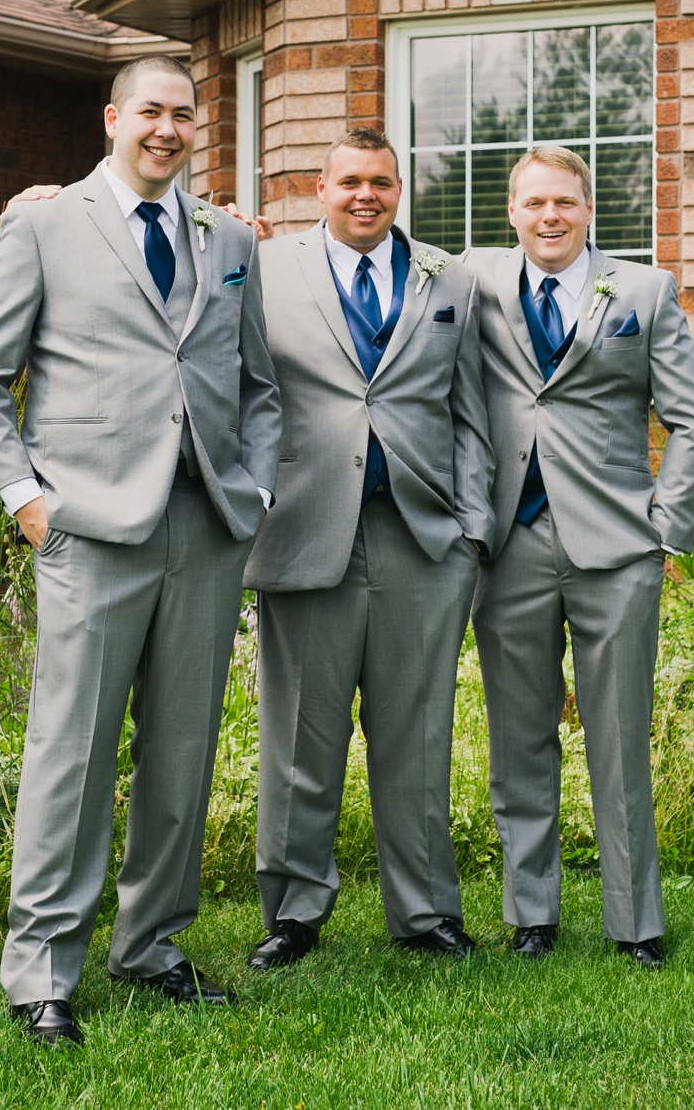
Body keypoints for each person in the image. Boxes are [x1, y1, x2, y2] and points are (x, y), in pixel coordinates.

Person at [0, 55, 281, 1047]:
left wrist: (253, 489)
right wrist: (22, 496)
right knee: (72, 753)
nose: (166, 129)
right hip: (86, 527)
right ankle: (42, 969)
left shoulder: (228, 240)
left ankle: (152, 945)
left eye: (182, 114)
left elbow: (256, 383)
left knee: (180, 751)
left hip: (206, 528)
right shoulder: (44, 226)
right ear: (111, 117)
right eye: (149, 111)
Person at [241, 127, 493, 969]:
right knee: (300, 736)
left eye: (381, 182)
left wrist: (474, 529)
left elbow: (471, 412)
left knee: (416, 735)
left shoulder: (447, 276)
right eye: (349, 180)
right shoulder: (268, 271)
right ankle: (294, 911)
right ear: (320, 188)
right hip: (306, 528)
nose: (366, 195)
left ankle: (424, 911)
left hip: (421, 537)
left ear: (398, 190)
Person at [464, 145, 694, 967]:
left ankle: (634, 920)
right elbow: (364, 244)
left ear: (587, 210)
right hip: (511, 545)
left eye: (564, 203)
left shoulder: (642, 291)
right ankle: (531, 913)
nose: (549, 217)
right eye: (534, 203)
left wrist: (663, 532)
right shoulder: (474, 282)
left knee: (619, 738)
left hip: (616, 548)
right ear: (512, 212)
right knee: (519, 739)